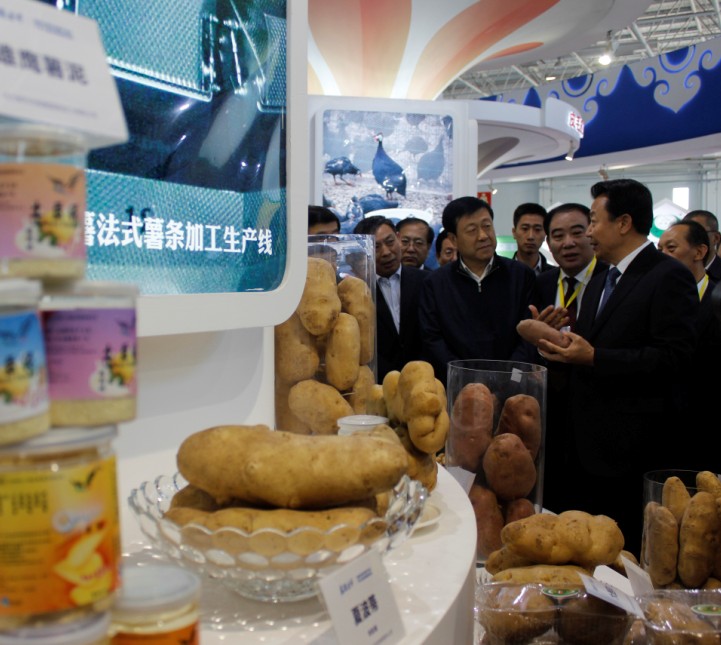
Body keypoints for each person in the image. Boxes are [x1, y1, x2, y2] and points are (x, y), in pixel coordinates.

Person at [537, 179, 699, 555]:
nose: (589, 232)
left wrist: (595, 357)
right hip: (584, 448)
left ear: (624, 223)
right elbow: (586, 351)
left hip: (631, 450)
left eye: (594, 221)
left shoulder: (667, 276)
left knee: (621, 558)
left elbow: (674, 357)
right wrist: (555, 344)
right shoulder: (600, 280)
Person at [533, 203, 607, 513]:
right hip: (552, 409)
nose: (568, 243)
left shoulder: (610, 279)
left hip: (600, 411)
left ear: (591, 232)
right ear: (548, 243)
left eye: (577, 232)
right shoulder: (541, 283)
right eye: (558, 236)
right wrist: (542, 340)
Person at [419, 196, 537, 386]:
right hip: (459, 388)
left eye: (487, 226)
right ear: (453, 239)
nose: (483, 236)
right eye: (472, 230)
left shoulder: (521, 276)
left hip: (514, 386)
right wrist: (465, 381)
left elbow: (529, 336)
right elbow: (433, 340)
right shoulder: (435, 283)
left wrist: (510, 381)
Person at [658, 219, 721, 470]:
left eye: (671, 248)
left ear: (699, 252)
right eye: (660, 249)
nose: (663, 255)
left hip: (706, 426)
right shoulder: (654, 300)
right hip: (661, 424)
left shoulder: (717, 299)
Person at [352, 216, 427, 382]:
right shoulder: (358, 292)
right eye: (376, 247)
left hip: (424, 378)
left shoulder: (425, 281)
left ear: (398, 238)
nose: (386, 252)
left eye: (390, 242)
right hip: (377, 383)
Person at [511, 203, 552, 274]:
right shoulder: (502, 274)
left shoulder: (555, 276)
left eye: (537, 229)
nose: (531, 236)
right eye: (525, 229)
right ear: (514, 232)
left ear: (545, 234)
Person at [683, 209, 721, 281]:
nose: (690, 239)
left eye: (696, 233)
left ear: (716, 238)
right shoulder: (674, 273)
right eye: (685, 235)